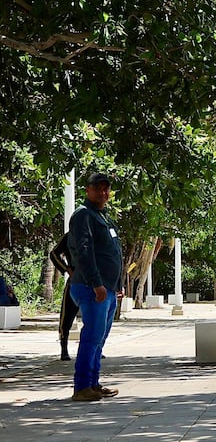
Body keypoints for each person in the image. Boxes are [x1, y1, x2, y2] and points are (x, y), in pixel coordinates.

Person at [67, 172, 123, 402]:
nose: (103, 193)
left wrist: (116, 285)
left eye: (106, 189)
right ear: (88, 190)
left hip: (108, 289)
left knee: (99, 338)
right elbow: (84, 251)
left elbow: (111, 252)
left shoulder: (102, 216)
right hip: (92, 288)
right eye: (98, 188)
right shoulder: (83, 215)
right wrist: (97, 283)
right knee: (91, 336)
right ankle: (81, 387)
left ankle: (93, 383)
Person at [50, 233, 79, 361]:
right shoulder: (70, 236)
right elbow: (54, 254)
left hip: (94, 281)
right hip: (75, 280)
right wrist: (66, 269)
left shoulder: (96, 233)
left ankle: (96, 348)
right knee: (67, 315)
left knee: (96, 318)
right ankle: (64, 348)